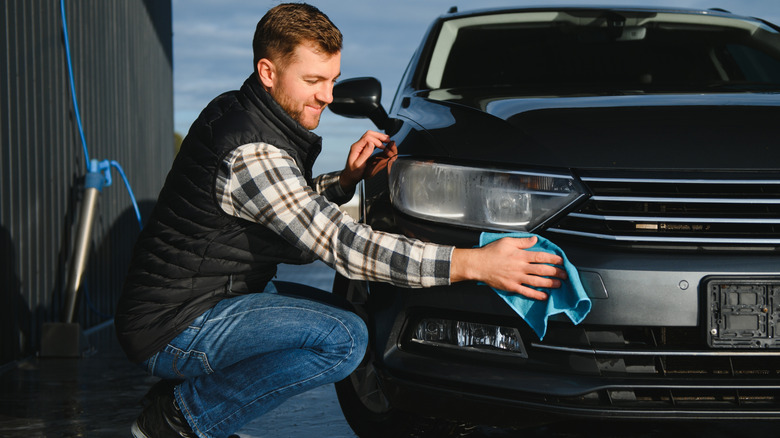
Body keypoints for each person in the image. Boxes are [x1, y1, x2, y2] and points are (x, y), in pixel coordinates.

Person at [116, 3, 568, 438]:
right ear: (268, 72)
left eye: (332, 79)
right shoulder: (252, 150)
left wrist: (345, 179)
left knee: (340, 319)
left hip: (207, 300)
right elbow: (343, 245)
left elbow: (276, 212)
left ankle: (189, 397)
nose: (328, 97)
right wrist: (474, 264)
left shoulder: (243, 112)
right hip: (175, 327)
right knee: (343, 339)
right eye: (313, 80)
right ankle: (181, 418)